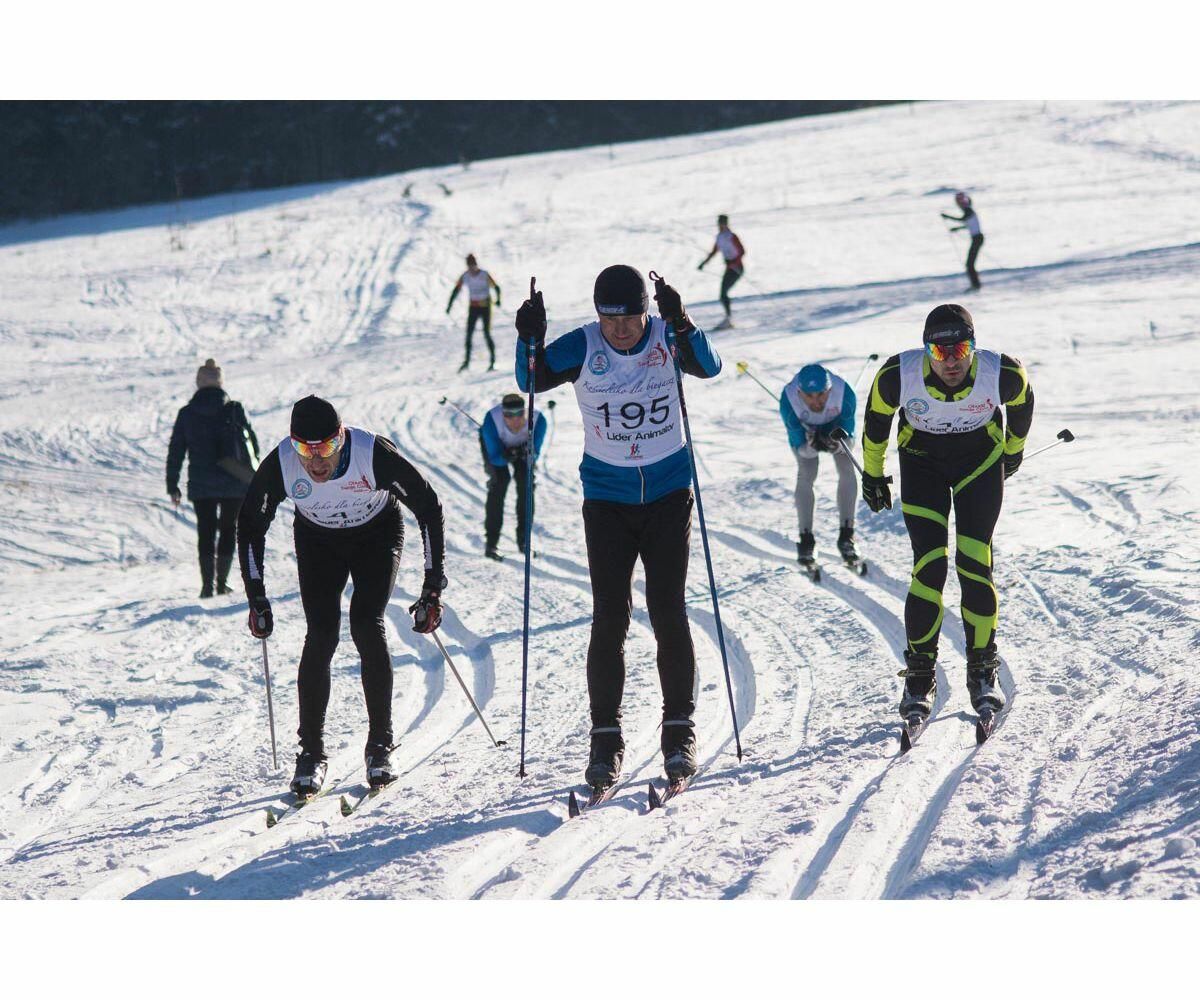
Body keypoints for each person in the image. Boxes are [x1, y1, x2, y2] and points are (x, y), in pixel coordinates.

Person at [515, 265, 722, 790]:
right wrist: (528, 338)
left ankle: (679, 732)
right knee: (610, 616)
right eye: (610, 320)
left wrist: (683, 322)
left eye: (630, 319)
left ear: (646, 312)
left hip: (669, 493)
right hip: (607, 498)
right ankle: (605, 740)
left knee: (668, 610)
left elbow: (710, 366)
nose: (621, 329)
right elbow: (532, 379)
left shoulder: (666, 336)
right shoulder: (584, 345)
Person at [237, 395, 447, 797]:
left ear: (342, 437)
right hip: (319, 542)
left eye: (327, 447)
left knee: (366, 623)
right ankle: (311, 754)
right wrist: (256, 596)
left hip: (376, 536)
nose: (316, 461)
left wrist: (432, 586)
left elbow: (428, 507)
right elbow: (250, 525)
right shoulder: (281, 463)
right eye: (305, 450)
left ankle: (380, 746)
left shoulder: (373, 454)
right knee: (321, 634)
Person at [859, 304, 1034, 727]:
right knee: (929, 565)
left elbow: (1024, 403)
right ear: (926, 351)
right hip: (923, 465)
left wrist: (1013, 451)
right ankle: (920, 675)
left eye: (961, 350)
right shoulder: (897, 374)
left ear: (974, 346)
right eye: (939, 353)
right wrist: (873, 474)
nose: (951, 362)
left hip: (980, 462)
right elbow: (875, 424)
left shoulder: (1002, 372)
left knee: (975, 562)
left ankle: (982, 668)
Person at [166, 359, 260, 598]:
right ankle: (222, 583)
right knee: (228, 530)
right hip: (234, 480)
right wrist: (254, 473)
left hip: (201, 483)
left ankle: (207, 585)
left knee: (205, 531)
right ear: (220, 382)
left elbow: (176, 450)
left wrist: (172, 484)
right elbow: (252, 443)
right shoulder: (234, 409)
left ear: (199, 382)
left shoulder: (187, 414)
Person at [779, 362, 859, 566]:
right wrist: (812, 445)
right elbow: (800, 447)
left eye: (821, 395)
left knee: (847, 468)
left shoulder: (844, 393)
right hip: (806, 433)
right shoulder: (789, 400)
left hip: (836, 428)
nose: (816, 401)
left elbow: (849, 439)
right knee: (806, 473)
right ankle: (806, 539)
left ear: (830, 390)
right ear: (800, 392)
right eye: (809, 396)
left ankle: (847, 535)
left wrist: (837, 443)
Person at [479, 392, 547, 561]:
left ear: (525, 412)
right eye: (509, 415)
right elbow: (495, 458)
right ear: (503, 414)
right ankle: (491, 543)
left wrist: (526, 453)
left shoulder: (539, 420)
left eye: (519, 414)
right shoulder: (491, 421)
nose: (515, 419)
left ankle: (524, 541)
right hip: (499, 450)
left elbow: (535, 454)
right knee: (499, 482)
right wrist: (507, 455)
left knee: (526, 484)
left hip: (523, 450)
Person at [446, 254, 501, 372]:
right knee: (469, 334)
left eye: (473, 265)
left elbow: (496, 287)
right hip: (473, 307)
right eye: (469, 266)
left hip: (486, 307)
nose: (472, 268)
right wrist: (449, 305)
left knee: (486, 333)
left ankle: (493, 361)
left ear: (476, 264)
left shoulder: (484, 274)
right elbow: (456, 290)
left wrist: (498, 300)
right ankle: (466, 362)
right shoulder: (465, 276)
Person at [698, 214, 745, 330]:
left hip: (737, 268)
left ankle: (729, 319)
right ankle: (728, 318)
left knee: (723, 293)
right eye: (719, 223)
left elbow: (742, 251)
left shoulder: (731, 236)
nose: (720, 225)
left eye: (722, 223)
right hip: (730, 268)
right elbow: (714, 252)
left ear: (726, 223)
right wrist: (704, 263)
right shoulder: (719, 237)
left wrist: (733, 263)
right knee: (723, 293)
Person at [942, 191, 984, 291]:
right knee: (970, 264)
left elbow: (962, 219)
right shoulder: (969, 211)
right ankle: (976, 284)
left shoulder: (968, 210)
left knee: (969, 264)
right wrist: (957, 229)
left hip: (977, 239)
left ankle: (976, 285)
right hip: (977, 238)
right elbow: (968, 224)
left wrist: (947, 217)